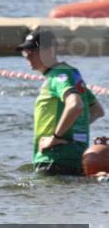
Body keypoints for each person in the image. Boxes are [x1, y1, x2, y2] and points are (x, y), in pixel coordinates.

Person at [18, 29, 104, 176]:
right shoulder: (71, 74)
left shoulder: (59, 76)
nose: (28, 57)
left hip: (54, 159)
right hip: (74, 159)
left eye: (32, 51)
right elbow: (96, 110)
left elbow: (75, 105)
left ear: (50, 50)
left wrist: (56, 137)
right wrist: (71, 131)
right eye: (25, 52)